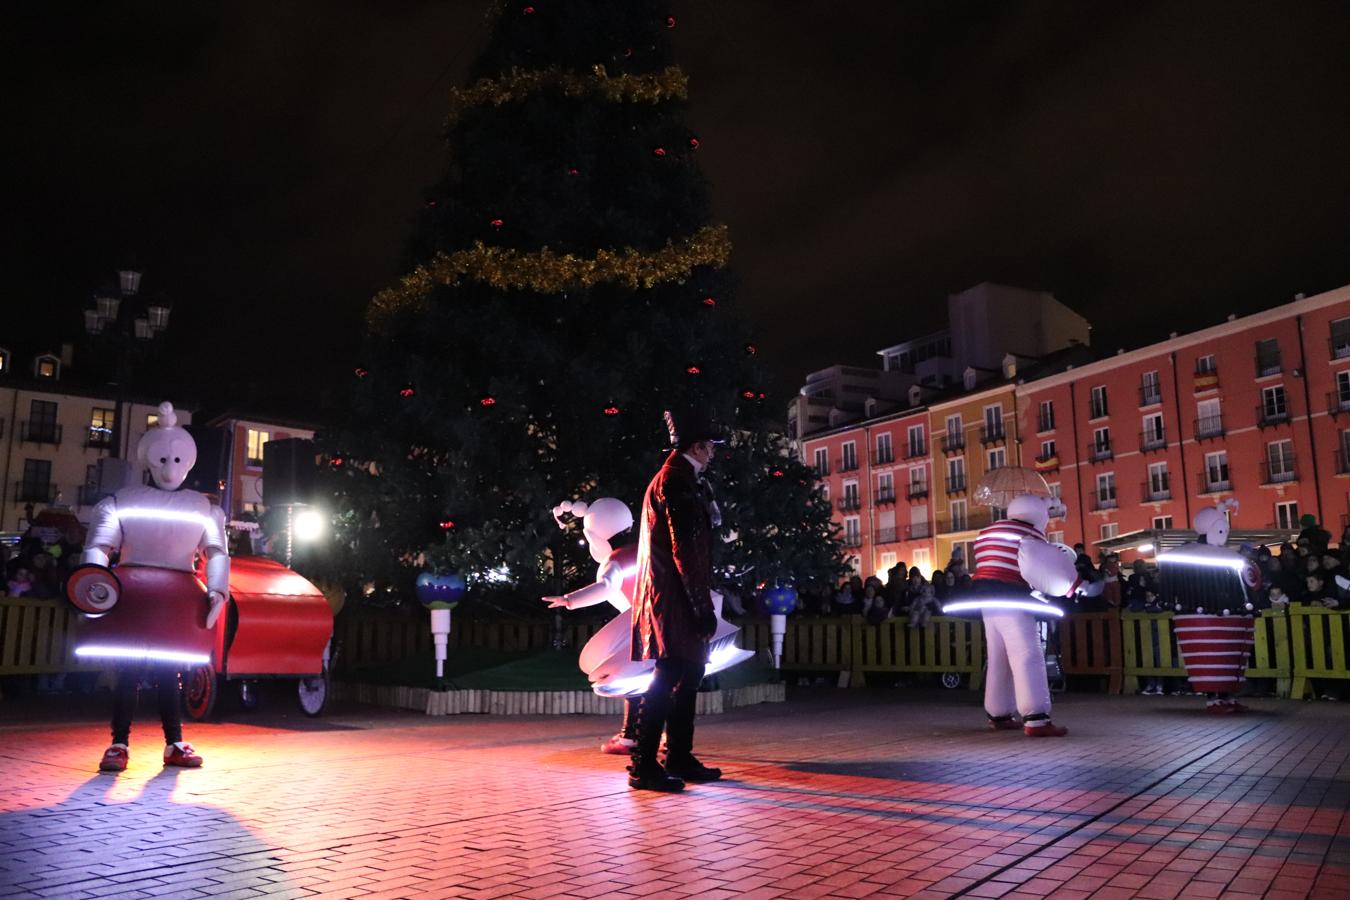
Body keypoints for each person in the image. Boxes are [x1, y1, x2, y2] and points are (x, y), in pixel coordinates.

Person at [67, 403, 230, 772]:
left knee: (165, 674)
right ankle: (120, 742)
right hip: (134, 597)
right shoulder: (123, 501)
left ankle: (172, 741)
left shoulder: (202, 509)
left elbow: (217, 552)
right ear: (149, 459)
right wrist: (93, 582)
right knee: (129, 673)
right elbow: (98, 547)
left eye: (176, 460)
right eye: (163, 459)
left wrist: (218, 590)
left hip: (171, 601)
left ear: (187, 462)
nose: (169, 468)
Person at [626, 408, 725, 792]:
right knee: (670, 673)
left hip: (675, 593)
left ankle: (677, 755)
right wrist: (700, 605)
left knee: (687, 674)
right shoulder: (676, 481)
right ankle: (644, 763)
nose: (713, 453)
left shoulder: (682, 478)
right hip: (674, 596)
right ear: (696, 447)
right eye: (710, 447)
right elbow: (684, 547)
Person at [943, 493, 1079, 736]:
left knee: (998, 657)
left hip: (987, 601)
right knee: (1027, 654)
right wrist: (1072, 584)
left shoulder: (987, 533)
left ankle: (999, 713)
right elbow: (1039, 568)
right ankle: (1036, 717)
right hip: (1013, 599)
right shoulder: (1027, 535)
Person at [1158, 499, 1258, 714]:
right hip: (1203, 615)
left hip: (1229, 614)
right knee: (1212, 654)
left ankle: (1227, 696)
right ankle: (1213, 699)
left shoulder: (1227, 557)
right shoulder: (1190, 557)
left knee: (1229, 656)